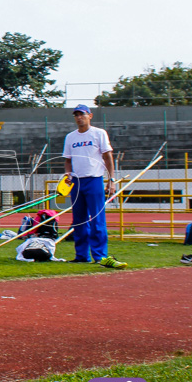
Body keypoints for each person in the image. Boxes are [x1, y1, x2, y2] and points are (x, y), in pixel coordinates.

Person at [63, 104, 124, 268]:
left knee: (97, 219)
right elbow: (68, 161)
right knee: (79, 221)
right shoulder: (70, 137)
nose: (78, 117)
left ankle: (100, 255)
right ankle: (81, 255)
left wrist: (111, 180)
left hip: (94, 179)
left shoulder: (99, 133)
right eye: (76, 115)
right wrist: (68, 174)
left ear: (90, 116)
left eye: (82, 114)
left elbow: (108, 157)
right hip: (77, 181)